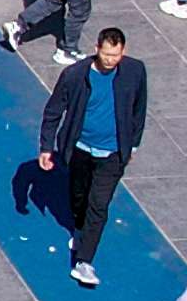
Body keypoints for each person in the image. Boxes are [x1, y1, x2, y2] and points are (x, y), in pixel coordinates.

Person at [43, 26, 150, 286]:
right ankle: (80, 228)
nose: (110, 60)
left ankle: (84, 261)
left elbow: (139, 108)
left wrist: (133, 144)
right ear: (96, 50)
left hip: (113, 153)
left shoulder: (135, 71)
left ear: (123, 52)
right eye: (106, 55)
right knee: (79, 197)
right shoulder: (74, 75)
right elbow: (54, 111)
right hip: (79, 148)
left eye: (115, 55)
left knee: (99, 204)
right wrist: (46, 147)